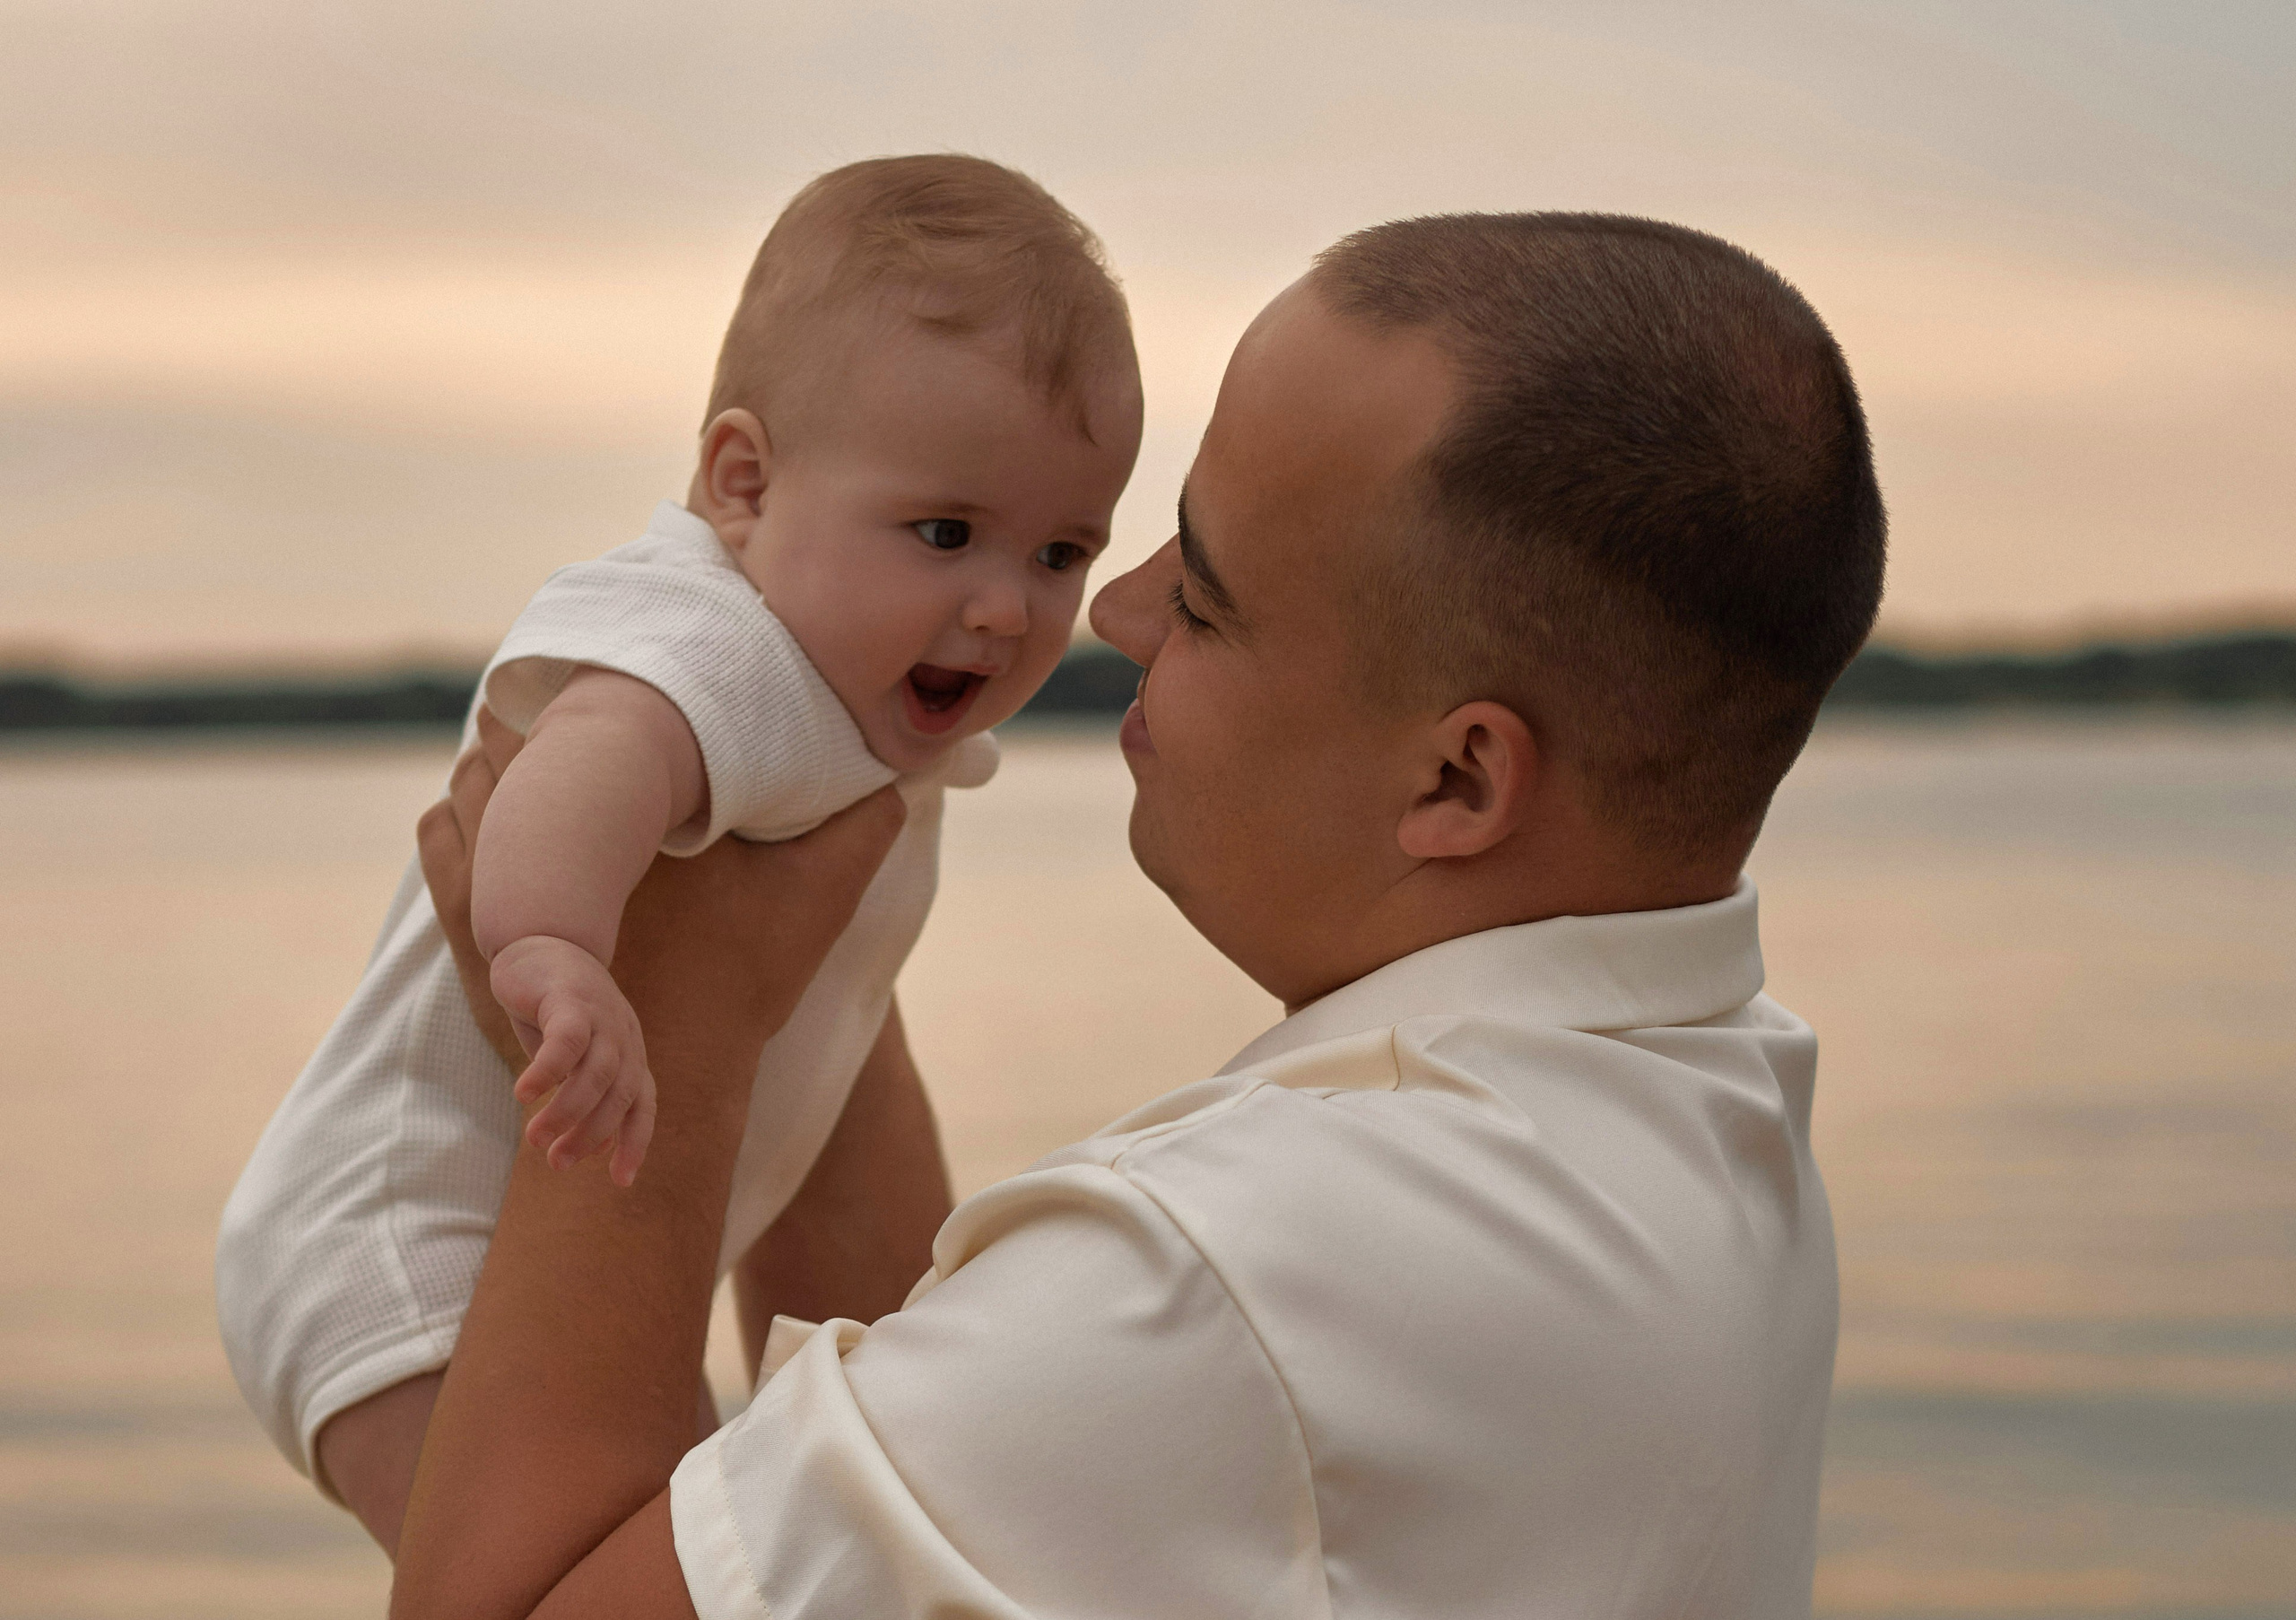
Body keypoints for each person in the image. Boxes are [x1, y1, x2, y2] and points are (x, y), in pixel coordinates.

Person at [390, 211, 1887, 1618]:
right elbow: (924, 1464)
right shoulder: (1712, 1094)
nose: (1116, 612)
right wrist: (795, 873)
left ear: (1457, 775)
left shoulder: (1236, 1281)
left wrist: (684, 1016)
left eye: (1210, 592)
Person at [213, 154, 1143, 1551]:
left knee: (699, 1532)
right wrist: (548, 951)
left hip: (527, 1248)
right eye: (945, 532)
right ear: (742, 482)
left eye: (1062, 552)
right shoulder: (721, 645)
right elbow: (578, 763)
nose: (1008, 608)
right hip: (399, 1251)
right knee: (557, 1573)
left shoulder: (852, 695)